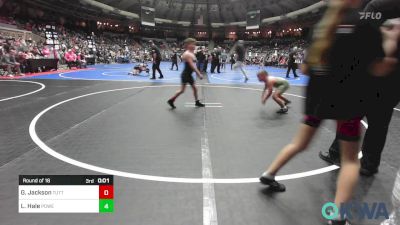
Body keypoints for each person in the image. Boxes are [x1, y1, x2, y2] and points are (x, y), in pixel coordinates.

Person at [258, 0, 396, 224]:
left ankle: (269, 173)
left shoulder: (321, 26)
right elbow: (379, 67)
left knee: (299, 143)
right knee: (350, 160)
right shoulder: (363, 25)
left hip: (318, 100)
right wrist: (391, 40)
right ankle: (338, 216)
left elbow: (305, 68)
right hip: (349, 103)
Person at [319, 2, 400, 177]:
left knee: (350, 115)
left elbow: (361, 37)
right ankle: (369, 165)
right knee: (378, 125)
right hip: (392, 81)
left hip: (370, 76)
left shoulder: (376, 6)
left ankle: (337, 154)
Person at [167, 38, 205, 109]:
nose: (194, 46)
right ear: (188, 45)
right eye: (193, 44)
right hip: (185, 75)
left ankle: (197, 102)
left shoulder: (191, 53)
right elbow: (192, 66)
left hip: (188, 75)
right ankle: (171, 100)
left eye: (195, 44)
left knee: (195, 88)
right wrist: (199, 74)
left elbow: (193, 63)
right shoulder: (187, 54)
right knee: (182, 90)